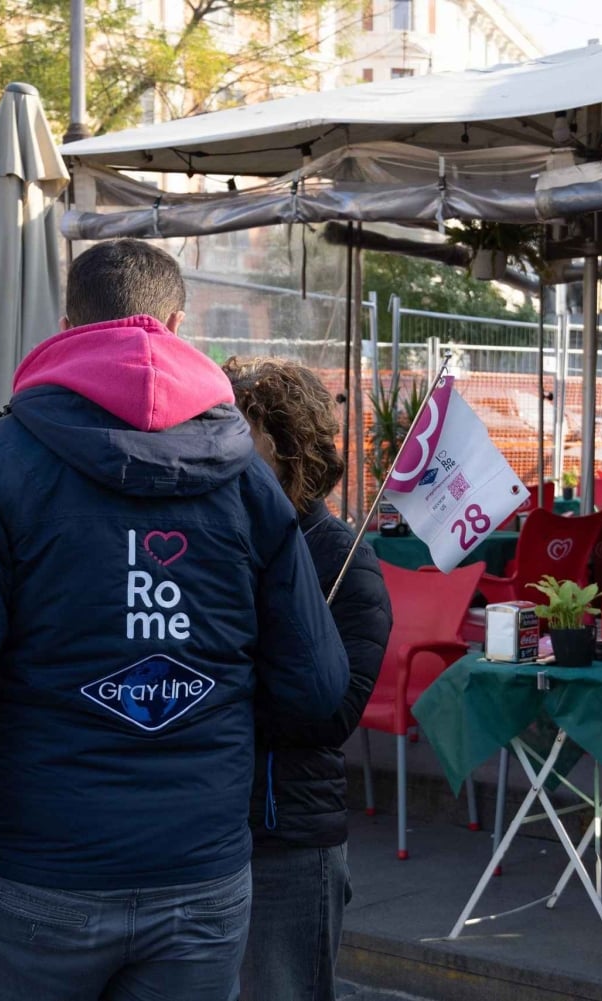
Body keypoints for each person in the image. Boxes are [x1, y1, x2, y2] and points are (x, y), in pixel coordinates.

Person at [0, 238, 350, 1000]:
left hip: (42, 877)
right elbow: (317, 686)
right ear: (177, 325)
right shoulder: (246, 481)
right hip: (199, 878)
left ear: (67, 327)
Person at [223, 358, 391, 1001]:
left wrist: (219, 689)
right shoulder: (217, 540)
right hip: (201, 829)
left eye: (244, 445)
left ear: (291, 453)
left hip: (285, 840)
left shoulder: (345, 562)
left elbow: (331, 714)